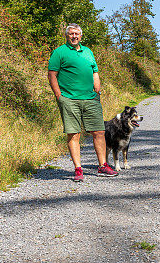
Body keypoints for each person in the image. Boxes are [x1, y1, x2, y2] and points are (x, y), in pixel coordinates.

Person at [47, 24, 118, 181]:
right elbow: (52, 75)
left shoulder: (88, 51)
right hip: (69, 99)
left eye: (77, 34)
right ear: (67, 35)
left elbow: (95, 71)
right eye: (71, 33)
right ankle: (78, 169)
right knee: (74, 133)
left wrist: (97, 90)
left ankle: (103, 166)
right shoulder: (59, 52)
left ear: (81, 36)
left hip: (91, 99)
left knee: (99, 132)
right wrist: (59, 96)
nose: (74, 36)